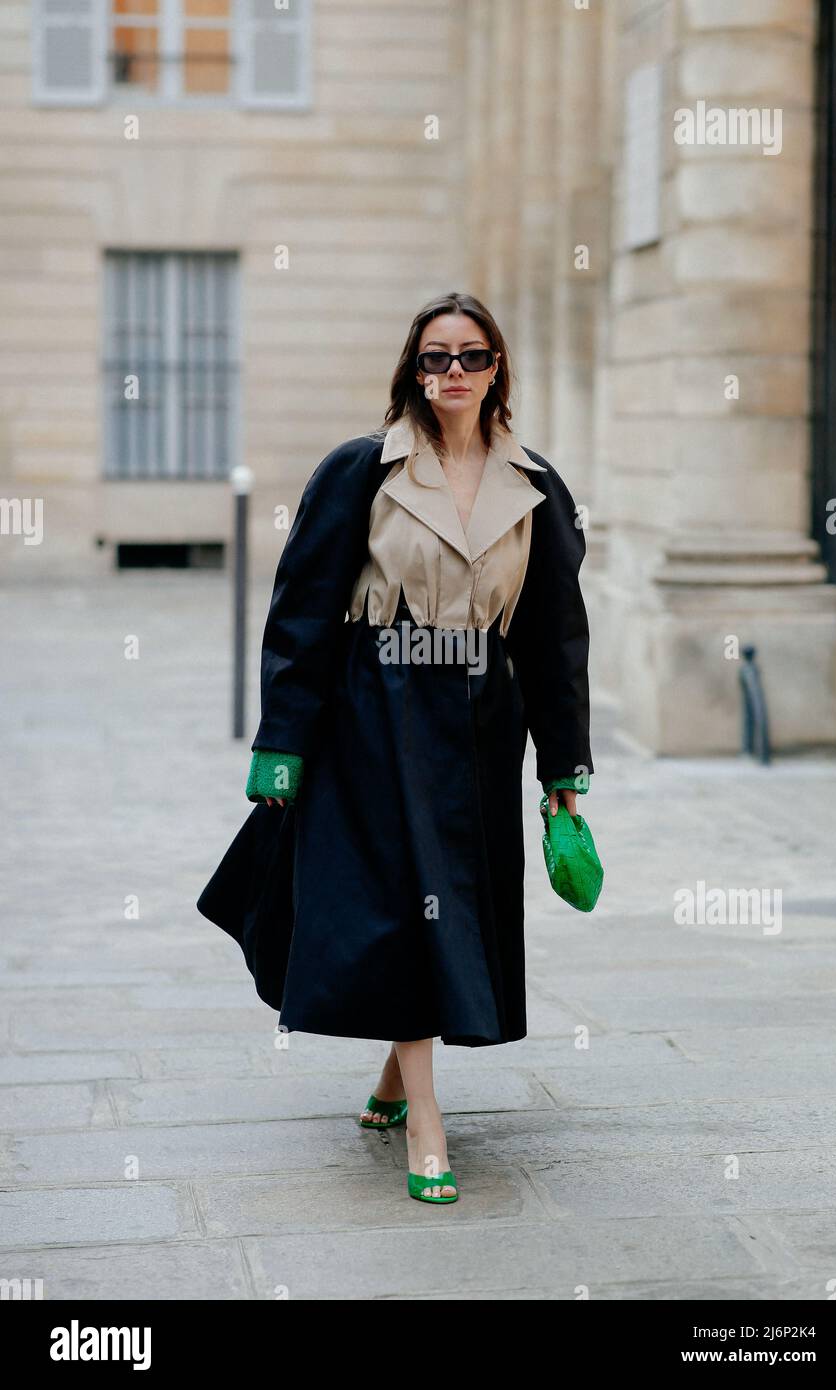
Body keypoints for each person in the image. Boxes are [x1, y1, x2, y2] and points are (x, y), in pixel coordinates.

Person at [197, 291, 593, 1204]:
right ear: (411, 372)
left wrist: (563, 772)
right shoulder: (359, 472)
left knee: (449, 906)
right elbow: (298, 615)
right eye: (434, 359)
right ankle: (425, 1119)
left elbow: (553, 639)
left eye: (472, 356)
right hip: (374, 711)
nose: (453, 373)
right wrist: (282, 744)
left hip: (482, 721)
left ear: (497, 369)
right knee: (400, 900)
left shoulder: (536, 483)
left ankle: (388, 1081)